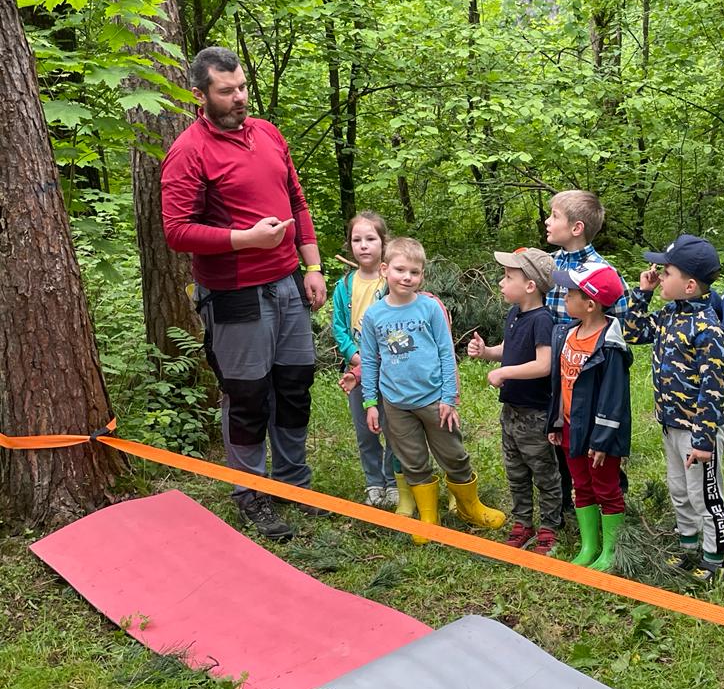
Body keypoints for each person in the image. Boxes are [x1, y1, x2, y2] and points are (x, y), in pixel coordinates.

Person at [162, 47, 327, 541]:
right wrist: (244, 239)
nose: (239, 98)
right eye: (226, 91)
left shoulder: (269, 133)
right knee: (248, 393)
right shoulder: (189, 152)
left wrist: (313, 264)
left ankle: (293, 484)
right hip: (234, 291)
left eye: (242, 88)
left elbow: (296, 201)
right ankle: (249, 492)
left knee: (295, 383)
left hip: (288, 283)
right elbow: (176, 231)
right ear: (200, 95)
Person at [359, 237, 505, 544]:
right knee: (412, 459)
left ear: (422, 275)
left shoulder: (429, 309)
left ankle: (470, 507)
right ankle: (429, 517)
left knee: (454, 454)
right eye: (400, 269)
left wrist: (448, 397)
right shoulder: (374, 316)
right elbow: (370, 360)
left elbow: (446, 352)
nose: (407, 277)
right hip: (396, 404)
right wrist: (371, 401)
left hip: (434, 400)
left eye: (414, 272)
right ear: (385, 270)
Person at [624, 235, 724, 585]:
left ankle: (714, 560)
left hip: (700, 431)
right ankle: (688, 547)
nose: (659, 275)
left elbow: (712, 390)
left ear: (688, 285)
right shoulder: (669, 315)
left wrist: (703, 439)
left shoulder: (707, 329)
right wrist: (644, 292)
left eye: (665, 272)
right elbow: (633, 331)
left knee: (705, 495)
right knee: (679, 490)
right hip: (672, 424)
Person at [467, 248, 561, 555]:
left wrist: (505, 372)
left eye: (509, 277)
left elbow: (544, 363)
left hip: (535, 413)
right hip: (511, 411)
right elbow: (510, 348)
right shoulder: (516, 313)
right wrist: (488, 353)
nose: (500, 282)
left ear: (531, 286)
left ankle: (549, 526)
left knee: (543, 472)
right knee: (516, 471)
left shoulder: (543, 319)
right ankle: (523, 522)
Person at [544, 189, 630, 510]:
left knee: (592, 437)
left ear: (576, 228)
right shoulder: (549, 265)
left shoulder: (601, 272)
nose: (547, 221)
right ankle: (569, 498)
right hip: (557, 366)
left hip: (589, 372)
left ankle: (610, 493)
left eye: (555, 216)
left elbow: (620, 324)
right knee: (561, 432)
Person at [546, 261, 632, 572]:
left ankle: (610, 550)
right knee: (580, 484)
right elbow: (560, 383)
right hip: (571, 426)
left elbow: (615, 398)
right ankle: (589, 545)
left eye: (570, 293)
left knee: (605, 486)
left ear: (591, 303)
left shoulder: (610, 345)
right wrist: (555, 422)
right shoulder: (566, 334)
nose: (564, 297)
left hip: (600, 434)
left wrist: (603, 440)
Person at [332, 212, 411, 512]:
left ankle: (394, 483)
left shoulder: (390, 280)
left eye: (370, 239)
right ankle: (373, 482)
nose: (363, 245)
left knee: (393, 427)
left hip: (391, 367)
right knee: (365, 429)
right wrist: (354, 355)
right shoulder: (344, 285)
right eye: (357, 240)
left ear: (383, 242)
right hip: (357, 368)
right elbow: (338, 325)